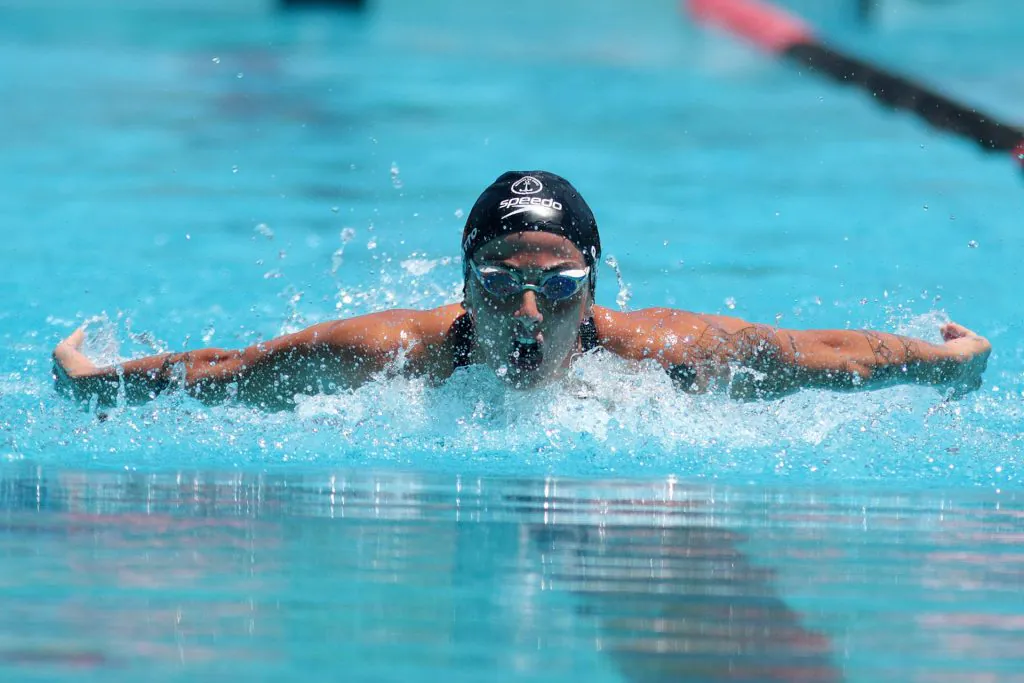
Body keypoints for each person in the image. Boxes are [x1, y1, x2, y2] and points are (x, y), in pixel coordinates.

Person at [53, 170, 991, 411]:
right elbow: (231, 371)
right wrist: (101, 384)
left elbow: (821, 356)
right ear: (464, 285)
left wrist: (944, 364)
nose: (531, 314)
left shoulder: (662, 353)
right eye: (501, 284)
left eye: (560, 285)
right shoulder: (395, 354)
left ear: (594, 286)